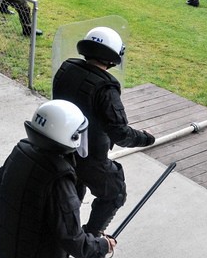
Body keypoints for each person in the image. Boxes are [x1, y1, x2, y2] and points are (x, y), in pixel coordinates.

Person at [0, 99, 115, 258]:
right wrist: (102, 245)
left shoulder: (22, 148)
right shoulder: (59, 179)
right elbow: (73, 240)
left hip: (9, 244)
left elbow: (0, 184)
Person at [52, 27, 156, 235]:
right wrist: (146, 138)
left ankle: (65, 234)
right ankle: (91, 239)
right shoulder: (105, 87)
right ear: (112, 56)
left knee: (73, 191)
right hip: (89, 157)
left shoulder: (67, 68)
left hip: (60, 146)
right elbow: (121, 134)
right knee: (115, 193)